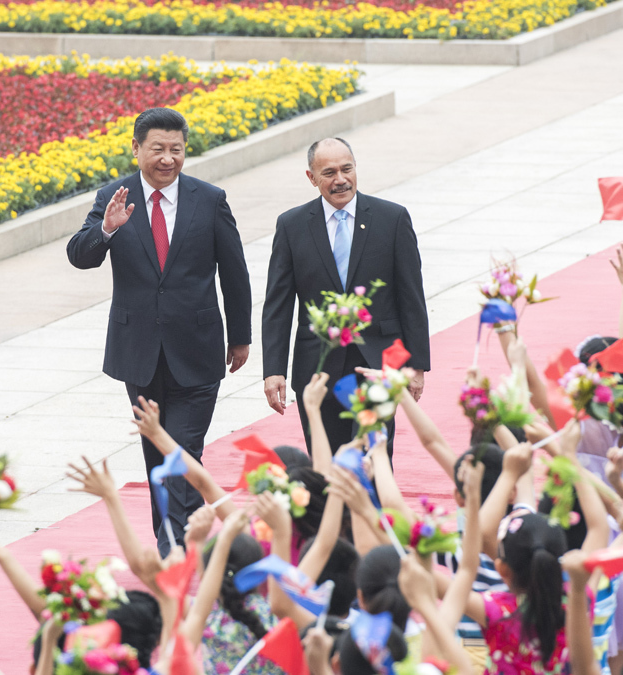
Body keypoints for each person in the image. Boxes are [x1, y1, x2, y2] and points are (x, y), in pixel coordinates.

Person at [66, 107, 252, 555]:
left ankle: (177, 547)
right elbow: (79, 255)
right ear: (136, 149)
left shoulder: (209, 199)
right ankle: (172, 541)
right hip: (140, 353)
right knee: (157, 454)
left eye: (177, 150)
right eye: (158, 149)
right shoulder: (114, 196)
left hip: (199, 347)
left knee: (183, 450)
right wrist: (106, 230)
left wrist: (241, 335)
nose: (168, 159)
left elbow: (234, 270)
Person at [261, 137, 430, 457]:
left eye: (346, 169)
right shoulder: (292, 225)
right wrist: (274, 370)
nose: (340, 180)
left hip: (380, 363)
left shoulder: (391, 219)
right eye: (329, 173)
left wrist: (417, 364)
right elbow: (277, 305)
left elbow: (411, 295)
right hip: (317, 366)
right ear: (311, 177)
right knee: (327, 463)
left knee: (373, 457)